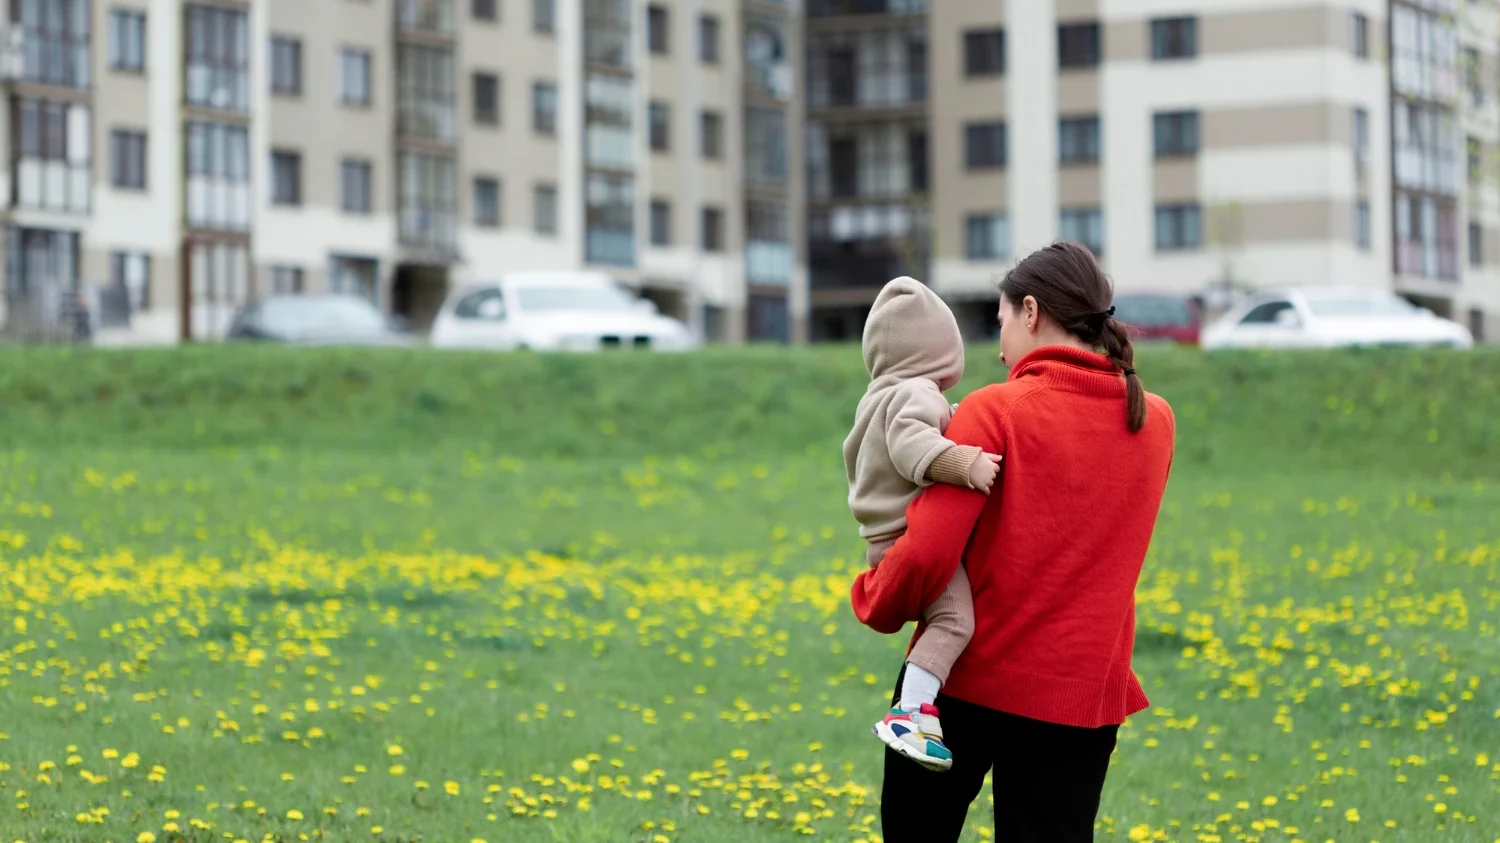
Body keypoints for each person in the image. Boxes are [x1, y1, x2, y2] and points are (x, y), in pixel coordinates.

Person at [850, 242, 1177, 842]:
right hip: (1082, 695)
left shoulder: (994, 410)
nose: (999, 349)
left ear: (1031, 311)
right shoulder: (1154, 420)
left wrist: (876, 597)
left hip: (964, 685)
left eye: (1000, 323)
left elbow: (927, 551)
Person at [843, 277, 1004, 771]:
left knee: (943, 619)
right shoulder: (916, 392)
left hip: (882, 539)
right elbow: (911, 444)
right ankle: (910, 713)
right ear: (937, 351)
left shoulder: (881, 394)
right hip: (906, 538)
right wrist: (963, 463)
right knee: (955, 620)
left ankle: (921, 712)